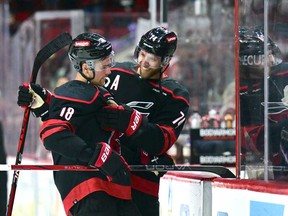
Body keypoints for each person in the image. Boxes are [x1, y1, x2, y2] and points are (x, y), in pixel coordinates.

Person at [18, 27, 190, 216]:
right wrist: (47, 104)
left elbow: (161, 141)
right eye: (142, 53)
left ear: (165, 61)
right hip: (104, 177)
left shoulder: (175, 95)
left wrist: (133, 123)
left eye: (152, 58)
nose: (144, 62)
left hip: (140, 181)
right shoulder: (114, 72)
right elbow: (81, 109)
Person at [18, 33, 141, 216]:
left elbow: (79, 122)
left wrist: (47, 107)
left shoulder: (92, 91)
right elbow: (53, 135)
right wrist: (98, 156)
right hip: (90, 192)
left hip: (110, 188)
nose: (109, 71)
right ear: (85, 67)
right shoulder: (74, 92)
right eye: (104, 66)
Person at [239, 26, 288, 179]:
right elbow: (254, 139)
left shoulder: (283, 73)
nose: (271, 60)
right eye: (265, 55)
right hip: (267, 165)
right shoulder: (240, 88)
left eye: (270, 53)